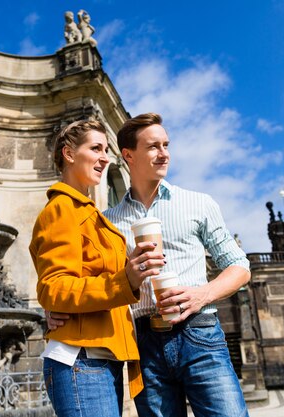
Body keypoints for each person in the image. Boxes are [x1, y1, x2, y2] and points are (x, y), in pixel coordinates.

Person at [48, 113, 251, 417]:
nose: (164, 153)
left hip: (200, 333)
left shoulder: (198, 203)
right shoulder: (107, 221)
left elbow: (239, 266)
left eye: (166, 145)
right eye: (153, 146)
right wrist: (57, 306)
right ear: (128, 155)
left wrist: (202, 295)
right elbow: (89, 280)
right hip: (143, 344)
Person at [29, 120, 166, 417]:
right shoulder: (62, 209)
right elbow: (54, 288)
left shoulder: (89, 214)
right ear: (68, 154)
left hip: (101, 358)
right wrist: (125, 279)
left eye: (106, 150)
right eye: (96, 148)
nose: (105, 157)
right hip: (81, 359)